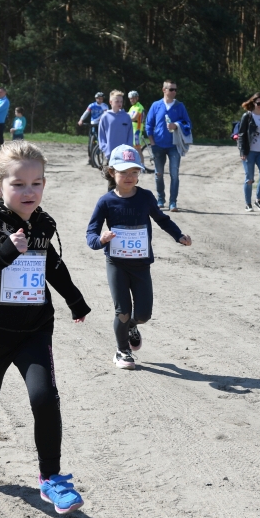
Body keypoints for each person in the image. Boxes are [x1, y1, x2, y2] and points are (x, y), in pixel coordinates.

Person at [0, 140, 91, 515]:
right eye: (18, 184)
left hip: (34, 329)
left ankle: (52, 479)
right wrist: (5, 251)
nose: (29, 191)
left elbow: (53, 266)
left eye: (36, 183)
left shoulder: (43, 224)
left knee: (45, 398)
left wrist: (75, 300)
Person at [86, 145, 191, 369]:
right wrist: (101, 240)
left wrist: (178, 235)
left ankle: (132, 326)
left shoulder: (145, 197)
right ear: (111, 172)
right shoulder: (106, 201)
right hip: (116, 264)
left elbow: (162, 219)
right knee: (122, 311)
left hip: (141, 264)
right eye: (124, 172)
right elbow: (91, 233)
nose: (130, 177)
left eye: (134, 172)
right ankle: (122, 351)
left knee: (143, 314)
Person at [144, 80, 192, 211]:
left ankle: (173, 202)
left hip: (174, 145)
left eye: (175, 89)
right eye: (171, 89)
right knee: (158, 174)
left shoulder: (180, 106)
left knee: (174, 174)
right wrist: (152, 142)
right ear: (164, 90)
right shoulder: (156, 105)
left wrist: (176, 125)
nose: (174, 92)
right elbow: (148, 124)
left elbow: (188, 124)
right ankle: (160, 199)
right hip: (158, 145)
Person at [97, 91, 133, 168]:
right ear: (110, 102)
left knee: (122, 174)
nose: (119, 103)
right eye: (117, 101)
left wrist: (128, 148)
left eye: (121, 101)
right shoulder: (105, 117)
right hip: (109, 154)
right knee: (110, 174)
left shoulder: (126, 117)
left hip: (124, 154)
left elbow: (130, 135)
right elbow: (101, 135)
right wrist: (105, 149)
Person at [127, 91, 151, 172]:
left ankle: (142, 167)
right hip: (131, 129)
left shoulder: (139, 107)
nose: (132, 100)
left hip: (137, 130)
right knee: (132, 147)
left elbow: (134, 118)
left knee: (138, 148)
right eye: (130, 98)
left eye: (133, 98)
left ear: (137, 98)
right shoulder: (132, 107)